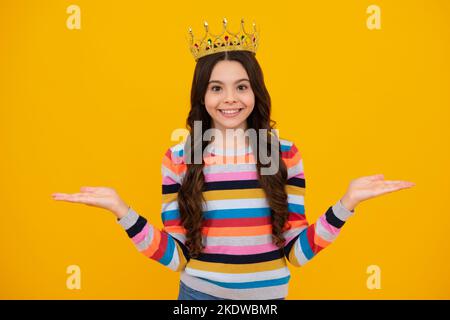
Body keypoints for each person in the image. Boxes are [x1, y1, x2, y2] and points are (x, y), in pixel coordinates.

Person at [52, 18, 415, 300]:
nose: (230, 98)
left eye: (241, 86)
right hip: (199, 295)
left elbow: (297, 253)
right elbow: (176, 257)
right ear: (202, 95)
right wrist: (122, 212)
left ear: (255, 91)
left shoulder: (279, 153)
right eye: (216, 87)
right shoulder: (180, 157)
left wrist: (346, 204)